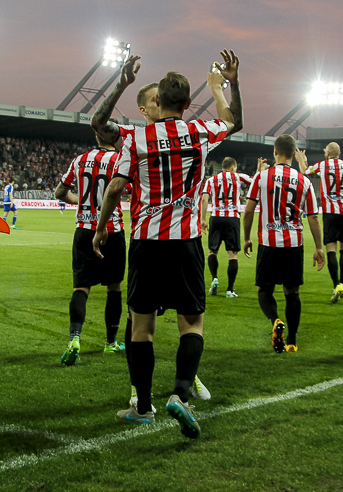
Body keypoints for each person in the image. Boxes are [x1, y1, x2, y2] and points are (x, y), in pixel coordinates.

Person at [90, 49, 243, 438]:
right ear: (189, 104)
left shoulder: (137, 139)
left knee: (141, 329)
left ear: (157, 101)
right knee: (191, 323)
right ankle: (181, 393)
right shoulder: (200, 132)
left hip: (145, 241)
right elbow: (234, 121)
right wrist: (226, 84)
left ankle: (142, 406)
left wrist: (103, 226)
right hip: (187, 240)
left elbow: (116, 184)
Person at [243, 135, 325, 353]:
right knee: (292, 292)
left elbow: (249, 210)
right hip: (294, 244)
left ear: (275, 151)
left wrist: (246, 238)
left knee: (264, 289)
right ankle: (292, 341)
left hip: (269, 242)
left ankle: (275, 321)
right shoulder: (305, 181)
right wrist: (319, 247)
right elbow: (314, 217)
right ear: (294, 152)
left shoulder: (261, 178)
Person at [54, 132, 127, 366]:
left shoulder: (79, 159)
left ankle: (75, 338)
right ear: (115, 137)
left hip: (84, 229)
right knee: (114, 287)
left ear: (97, 135)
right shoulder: (120, 159)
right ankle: (110, 342)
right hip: (111, 229)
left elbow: (60, 192)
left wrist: (82, 202)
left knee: (81, 287)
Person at [295, 142, 343, 303]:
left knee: (331, 249)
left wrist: (302, 159)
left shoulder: (322, 165)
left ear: (327, 153)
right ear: (339, 152)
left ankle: (336, 284)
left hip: (330, 212)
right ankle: (342, 282)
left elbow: (305, 171)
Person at [201, 156, 267, 298]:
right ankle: (230, 290)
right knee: (233, 255)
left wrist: (202, 219)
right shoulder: (238, 177)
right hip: (232, 218)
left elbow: (204, 198)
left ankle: (214, 278)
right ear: (233, 167)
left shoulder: (211, 180)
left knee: (212, 251)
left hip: (216, 217)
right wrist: (259, 170)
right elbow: (255, 182)